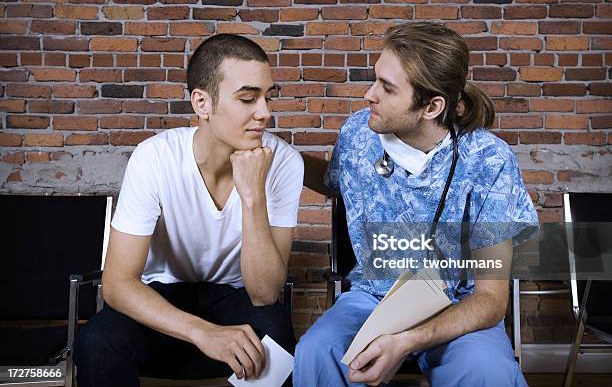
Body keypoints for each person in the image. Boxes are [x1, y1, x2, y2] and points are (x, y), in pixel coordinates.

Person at [295, 22, 538, 386]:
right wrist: (278, 156)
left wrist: (405, 341)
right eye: (375, 79)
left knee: (489, 372)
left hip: (460, 305)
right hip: (373, 296)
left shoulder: (489, 160)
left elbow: (490, 298)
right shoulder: (358, 134)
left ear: (431, 106)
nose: (368, 95)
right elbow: (335, 181)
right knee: (316, 352)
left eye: (386, 88)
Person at [74, 34, 304, 386]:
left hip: (235, 297)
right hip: (162, 296)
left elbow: (264, 293)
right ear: (202, 103)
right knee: (96, 341)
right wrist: (203, 333)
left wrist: (253, 196)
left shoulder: (284, 162)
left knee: (276, 335)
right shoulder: (155, 157)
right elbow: (118, 284)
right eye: (247, 98)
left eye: (268, 97)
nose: (265, 113)